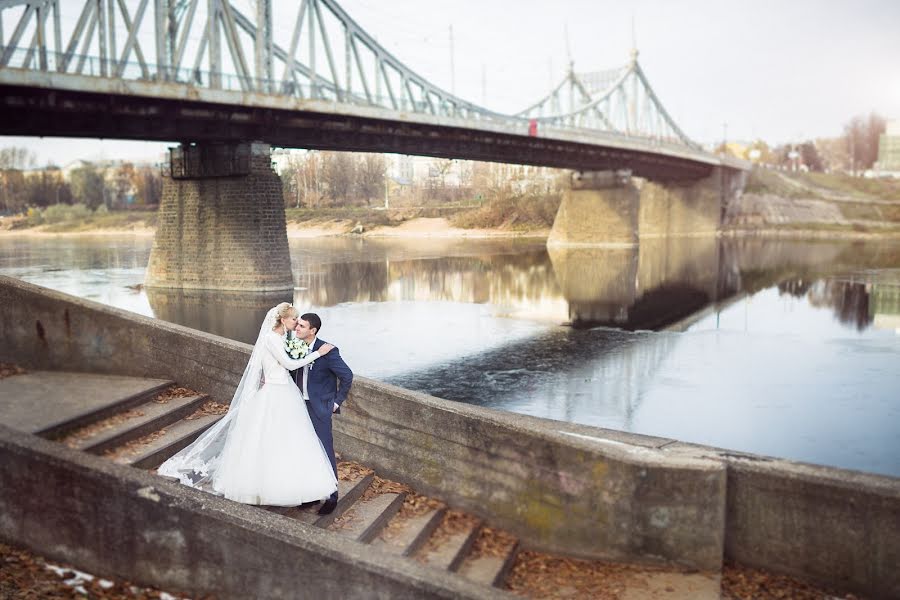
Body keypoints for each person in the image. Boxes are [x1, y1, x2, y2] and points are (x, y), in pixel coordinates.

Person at [158, 302, 338, 507]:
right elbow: (289, 364)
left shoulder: (282, 338)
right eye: (293, 319)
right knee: (268, 439)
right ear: (282, 319)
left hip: (285, 391)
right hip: (276, 392)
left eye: (297, 320)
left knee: (288, 440)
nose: (296, 323)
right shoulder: (271, 339)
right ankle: (267, 487)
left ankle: (294, 484)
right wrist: (317, 353)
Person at [291, 313, 353, 515]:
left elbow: (346, 376)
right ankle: (312, 494)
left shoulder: (328, 351)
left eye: (301, 326)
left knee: (325, 451)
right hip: (297, 406)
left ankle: (332, 496)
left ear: (313, 331)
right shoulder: (294, 345)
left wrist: (335, 402)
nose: (297, 328)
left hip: (319, 408)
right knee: (305, 451)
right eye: (297, 324)